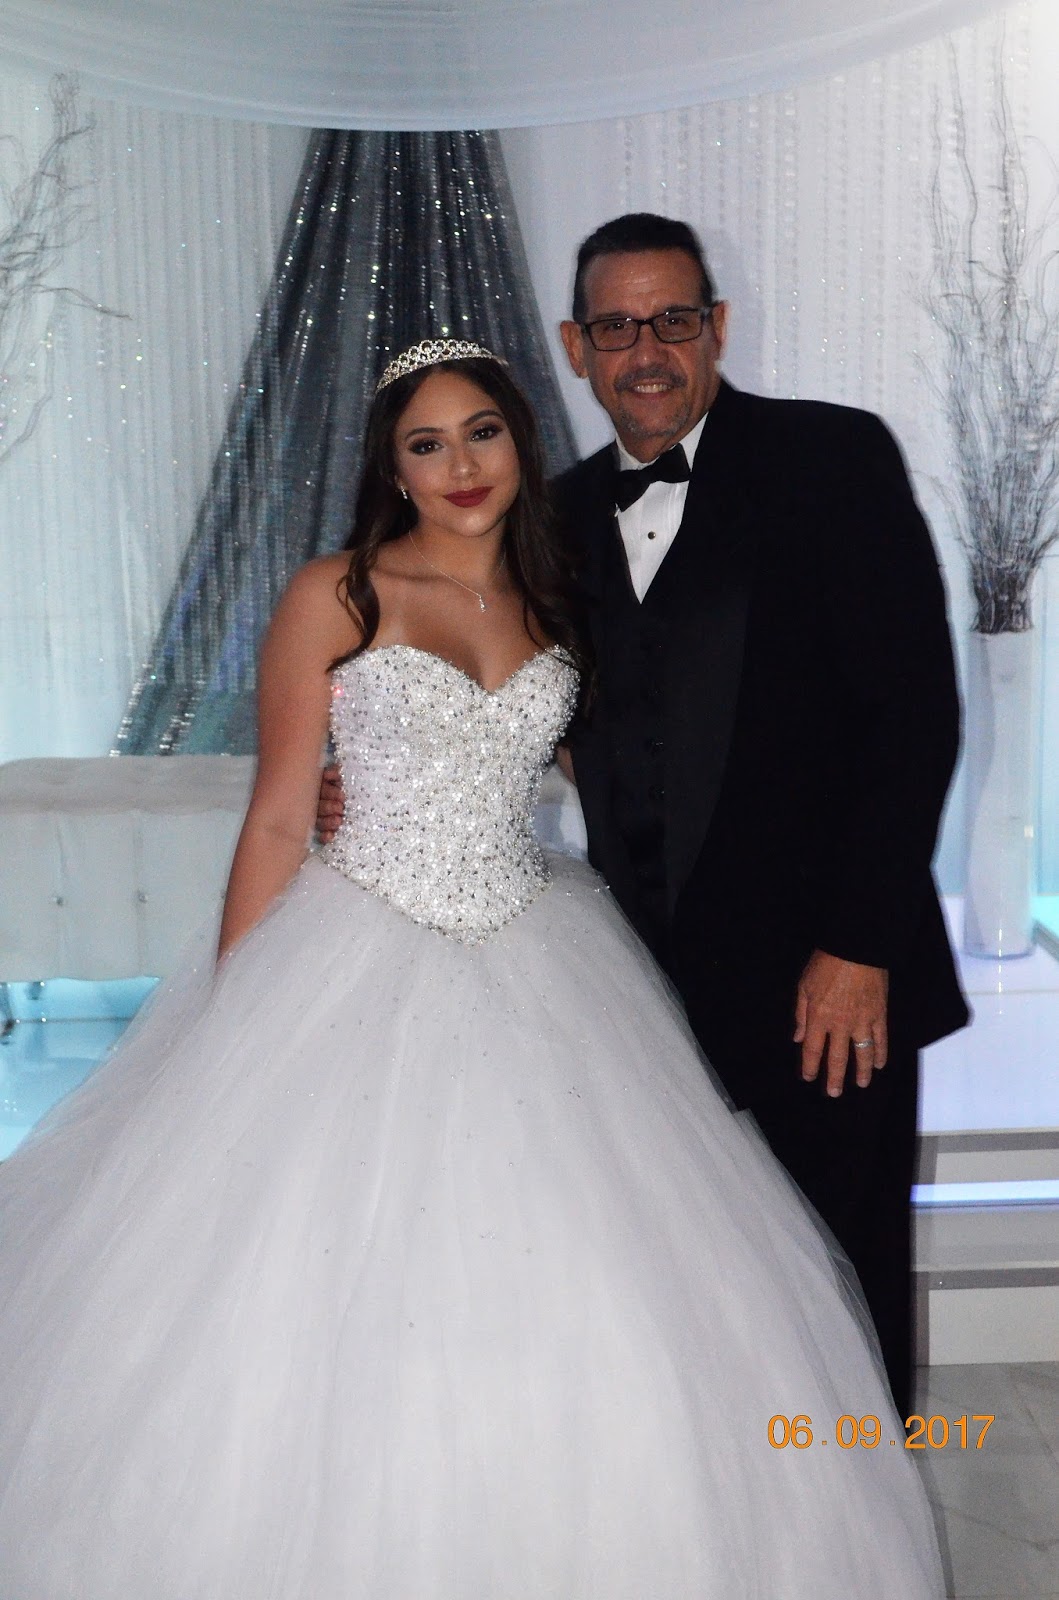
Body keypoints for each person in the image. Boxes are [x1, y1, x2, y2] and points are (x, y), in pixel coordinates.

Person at [0, 338, 945, 1598]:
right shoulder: (337, 592)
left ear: (520, 440)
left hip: (540, 953)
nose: (460, 465)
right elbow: (277, 818)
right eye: (426, 443)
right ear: (392, 468)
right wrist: (231, 1014)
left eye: (482, 432)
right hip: (356, 951)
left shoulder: (565, 600)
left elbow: (633, 781)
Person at [554, 213, 969, 1417]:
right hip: (644, 998)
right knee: (699, 1313)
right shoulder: (554, 515)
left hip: (825, 987)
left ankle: (866, 1512)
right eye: (618, 326)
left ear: (718, 327)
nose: (647, 350)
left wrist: (859, 945)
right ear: (578, 347)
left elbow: (915, 715)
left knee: (840, 1298)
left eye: (673, 319)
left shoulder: (831, 459)